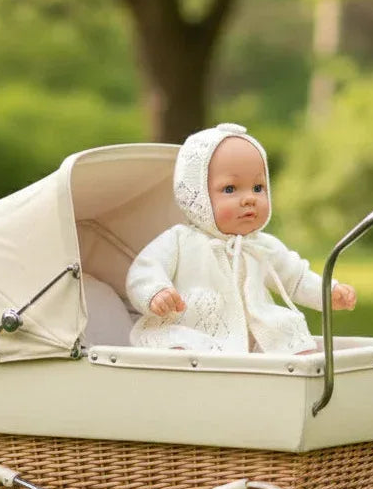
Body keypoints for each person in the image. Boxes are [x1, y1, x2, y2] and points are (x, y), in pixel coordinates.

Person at [126, 123, 356, 353]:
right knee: (179, 347)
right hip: (193, 327)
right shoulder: (179, 240)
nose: (249, 199)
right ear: (197, 196)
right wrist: (156, 291)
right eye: (230, 189)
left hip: (254, 333)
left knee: (291, 338)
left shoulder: (262, 245)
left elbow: (296, 276)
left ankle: (293, 377)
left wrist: (327, 292)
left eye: (258, 187)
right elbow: (144, 270)